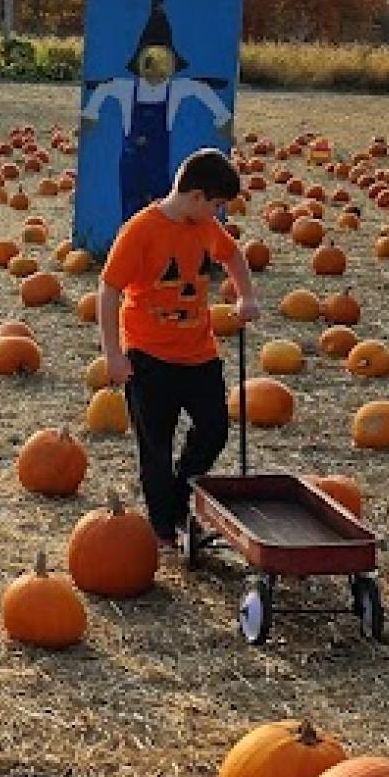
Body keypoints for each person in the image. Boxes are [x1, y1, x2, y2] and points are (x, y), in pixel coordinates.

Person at [98, 145, 258, 547]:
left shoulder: (205, 227)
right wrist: (113, 354)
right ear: (197, 196)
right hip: (148, 357)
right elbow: (109, 289)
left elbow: (233, 257)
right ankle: (163, 526)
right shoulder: (141, 230)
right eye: (216, 205)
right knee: (156, 446)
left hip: (199, 353)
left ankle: (181, 493)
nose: (218, 213)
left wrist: (245, 296)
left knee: (214, 429)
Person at [81, 0, 234, 224]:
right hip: (131, 166)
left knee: (161, 210)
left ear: (173, 64)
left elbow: (200, 89)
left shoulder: (175, 91)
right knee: (131, 211)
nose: (156, 71)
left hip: (157, 165)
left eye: (163, 63)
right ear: (140, 62)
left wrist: (222, 116)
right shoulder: (126, 89)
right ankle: (129, 241)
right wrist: (90, 114)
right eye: (150, 63)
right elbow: (103, 89)